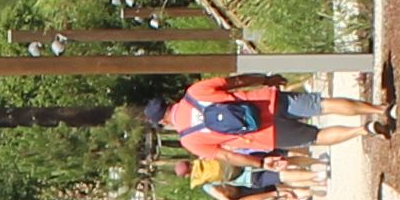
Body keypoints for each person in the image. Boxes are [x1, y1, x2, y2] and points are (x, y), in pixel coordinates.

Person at [156, 70, 376, 166]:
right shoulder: (195, 91)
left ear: (163, 122)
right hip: (266, 101)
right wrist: (265, 79)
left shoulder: (189, 140)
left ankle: (362, 131)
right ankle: (378, 110)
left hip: (263, 136)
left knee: (317, 137)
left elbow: (228, 156)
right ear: (169, 102)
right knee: (322, 105)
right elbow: (237, 81)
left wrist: (260, 162)